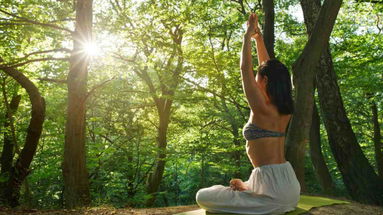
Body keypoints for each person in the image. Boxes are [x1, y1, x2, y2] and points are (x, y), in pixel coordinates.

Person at [195, 13, 301, 214]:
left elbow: (245, 68)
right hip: (287, 184)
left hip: (273, 190)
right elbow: (267, 68)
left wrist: (246, 36)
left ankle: (250, 191)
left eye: (258, 77)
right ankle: (249, 187)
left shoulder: (261, 108)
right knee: (237, 186)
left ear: (265, 81)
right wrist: (258, 39)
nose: (255, 78)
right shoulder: (284, 107)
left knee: (202, 196)